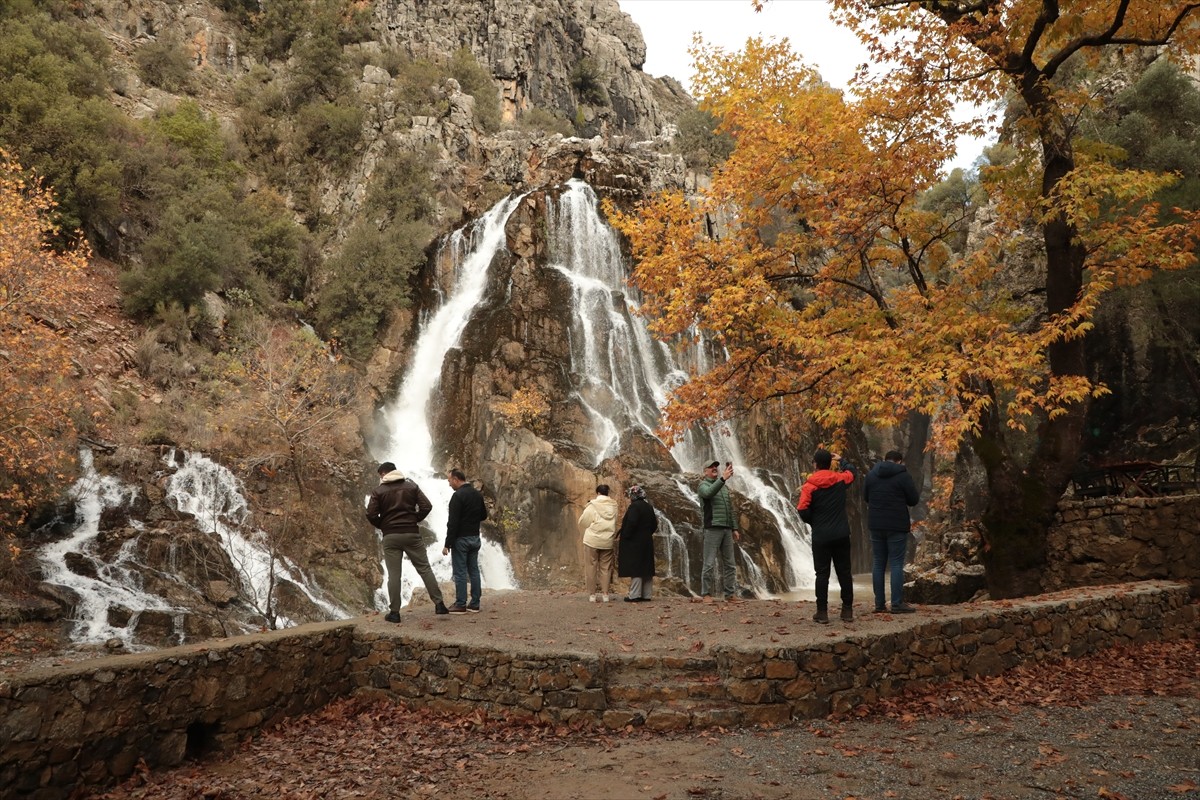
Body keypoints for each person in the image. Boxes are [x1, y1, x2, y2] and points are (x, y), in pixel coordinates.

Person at [366, 462, 449, 622]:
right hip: (411, 533)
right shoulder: (411, 486)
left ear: (383, 473)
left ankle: (395, 613)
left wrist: (383, 525)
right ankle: (439, 604)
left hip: (391, 537)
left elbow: (370, 514)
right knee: (424, 568)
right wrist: (414, 520)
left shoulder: (378, 491)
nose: (380, 478)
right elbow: (427, 506)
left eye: (380, 475)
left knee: (394, 575)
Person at [796, 449, 857, 624]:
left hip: (821, 535)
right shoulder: (840, 479)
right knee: (844, 572)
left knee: (822, 574)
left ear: (814, 464)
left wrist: (814, 522)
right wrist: (842, 460)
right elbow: (853, 473)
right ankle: (847, 611)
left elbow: (802, 509)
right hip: (841, 533)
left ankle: (822, 612)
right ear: (830, 464)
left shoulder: (809, 486)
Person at [864, 450, 920, 614]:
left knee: (878, 562)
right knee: (896, 563)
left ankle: (879, 604)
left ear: (885, 459)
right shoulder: (903, 476)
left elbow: (866, 497)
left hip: (876, 524)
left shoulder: (871, 475)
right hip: (896, 524)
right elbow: (913, 500)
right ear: (899, 461)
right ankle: (896, 604)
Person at [442, 468, 488, 613]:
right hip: (475, 538)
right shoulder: (477, 494)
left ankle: (461, 604)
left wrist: (447, 544)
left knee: (460, 572)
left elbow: (452, 522)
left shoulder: (457, 496)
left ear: (456, 479)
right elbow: (483, 515)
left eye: (450, 481)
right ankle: (475, 603)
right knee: (474, 570)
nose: (449, 484)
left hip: (461, 539)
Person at [696, 460, 743, 601]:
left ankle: (730, 594)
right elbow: (709, 493)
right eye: (711, 467)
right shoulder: (702, 485)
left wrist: (734, 528)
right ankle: (706, 594)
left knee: (730, 563)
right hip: (712, 528)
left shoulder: (723, 488)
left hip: (726, 528)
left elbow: (730, 509)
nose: (714, 468)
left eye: (715, 466)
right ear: (705, 471)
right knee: (709, 563)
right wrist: (723, 478)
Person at [577, 484, 618, 602]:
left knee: (591, 567)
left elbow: (583, 522)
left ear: (598, 493)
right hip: (607, 540)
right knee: (606, 568)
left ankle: (592, 595)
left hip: (592, 540)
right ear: (608, 493)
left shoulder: (593, 505)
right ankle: (605, 594)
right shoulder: (614, 506)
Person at [617, 485, 657, 602]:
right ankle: (647, 594)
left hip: (635, 542)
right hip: (647, 541)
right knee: (647, 567)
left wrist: (626, 535)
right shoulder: (648, 506)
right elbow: (654, 524)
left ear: (633, 495)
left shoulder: (634, 507)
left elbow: (631, 523)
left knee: (636, 568)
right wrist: (647, 533)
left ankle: (634, 595)